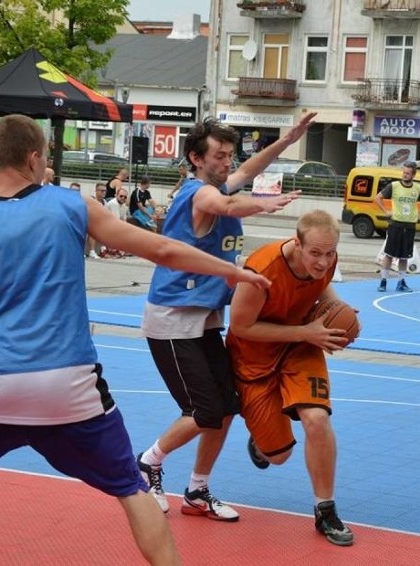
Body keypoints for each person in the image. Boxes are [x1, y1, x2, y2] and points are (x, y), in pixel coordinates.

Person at [0, 113, 271, 565]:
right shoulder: (71, 205)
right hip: (68, 388)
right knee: (131, 489)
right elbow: (161, 250)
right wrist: (232, 270)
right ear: (35, 158)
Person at [135, 113, 312, 521]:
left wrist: (287, 141)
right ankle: (147, 463)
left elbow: (250, 170)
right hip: (173, 317)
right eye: (219, 155)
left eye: (230, 155)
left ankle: (198, 489)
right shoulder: (199, 195)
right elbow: (227, 203)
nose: (228, 162)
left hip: (204, 316)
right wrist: (264, 204)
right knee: (203, 411)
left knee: (227, 408)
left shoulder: (219, 184)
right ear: (196, 158)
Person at [226, 210, 354, 546]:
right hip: (254, 357)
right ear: (296, 244)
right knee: (278, 456)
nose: (324, 262)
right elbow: (240, 326)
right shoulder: (262, 269)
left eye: (329, 253)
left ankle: (325, 510)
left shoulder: (324, 260)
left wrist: (339, 314)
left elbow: (323, 290)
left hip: (300, 347)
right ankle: (262, 440)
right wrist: (305, 332)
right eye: (315, 253)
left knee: (317, 420)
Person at [374, 161, 420, 292]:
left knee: (404, 256)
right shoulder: (393, 186)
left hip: (410, 225)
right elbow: (378, 198)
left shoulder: (417, 188)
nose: (404, 175)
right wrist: (385, 211)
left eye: (408, 173)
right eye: (404, 172)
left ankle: (401, 281)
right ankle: (383, 281)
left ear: (413, 175)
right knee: (389, 254)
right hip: (396, 224)